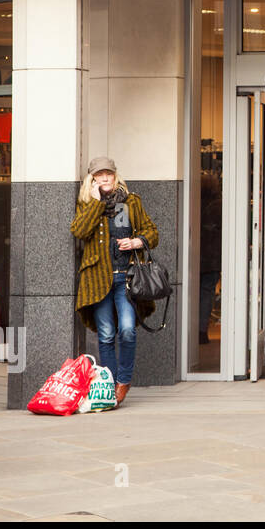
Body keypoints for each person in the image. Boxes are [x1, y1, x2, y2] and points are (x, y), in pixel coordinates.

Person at [69, 158, 159, 407]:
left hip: (127, 277)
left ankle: (124, 381)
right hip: (98, 279)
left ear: (115, 176)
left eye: (109, 174)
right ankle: (108, 386)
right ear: (93, 180)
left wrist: (136, 242)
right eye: (100, 175)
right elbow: (78, 231)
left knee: (127, 330)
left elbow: (152, 232)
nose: (105, 178)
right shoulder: (87, 204)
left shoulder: (131, 202)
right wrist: (97, 203)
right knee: (107, 335)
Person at [198, 173, 221, 346]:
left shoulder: (194, 203)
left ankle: (191, 331)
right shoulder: (219, 205)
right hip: (212, 257)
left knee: (192, 295)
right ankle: (202, 331)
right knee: (206, 294)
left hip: (194, 257)